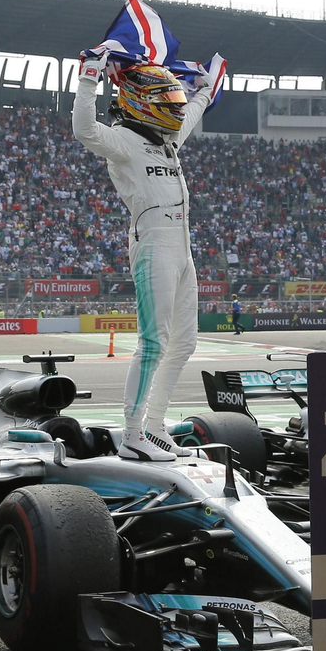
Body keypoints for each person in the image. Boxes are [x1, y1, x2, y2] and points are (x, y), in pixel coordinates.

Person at [74, 41, 224, 458]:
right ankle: (133, 434)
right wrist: (89, 76)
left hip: (182, 246)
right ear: (142, 102)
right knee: (154, 342)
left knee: (185, 343)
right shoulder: (122, 140)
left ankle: (156, 424)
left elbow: (191, 111)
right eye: (166, 99)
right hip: (154, 243)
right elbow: (84, 130)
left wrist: (203, 89)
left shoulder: (168, 140)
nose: (175, 107)